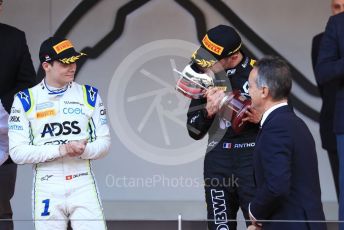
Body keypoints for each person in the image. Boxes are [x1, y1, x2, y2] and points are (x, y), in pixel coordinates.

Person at [8, 37, 110, 230]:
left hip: (82, 181)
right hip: (47, 183)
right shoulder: (25, 100)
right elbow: (17, 152)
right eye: (65, 63)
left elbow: (104, 144)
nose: (72, 67)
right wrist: (62, 149)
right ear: (46, 66)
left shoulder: (90, 95)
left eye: (74, 61)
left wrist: (81, 150)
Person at [186, 25, 261, 230]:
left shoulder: (260, 72)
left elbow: (283, 117)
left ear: (233, 55)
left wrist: (259, 118)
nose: (205, 64)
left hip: (251, 158)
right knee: (220, 226)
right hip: (217, 159)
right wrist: (207, 111)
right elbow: (193, 131)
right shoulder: (204, 75)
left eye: (212, 59)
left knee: (257, 224)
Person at [248, 56, 326, 230]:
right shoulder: (292, 122)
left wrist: (255, 211)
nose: (248, 92)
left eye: (250, 86)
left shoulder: (277, 127)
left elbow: (277, 185)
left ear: (264, 91)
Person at [0, 0, 37, 229]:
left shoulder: (14, 38)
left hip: (2, 138)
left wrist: (2, 106)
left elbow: (27, 85)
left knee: (1, 209)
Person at [311, 0, 344, 200]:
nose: (339, 11)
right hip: (336, 120)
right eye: (337, 6)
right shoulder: (332, 31)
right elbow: (323, 78)